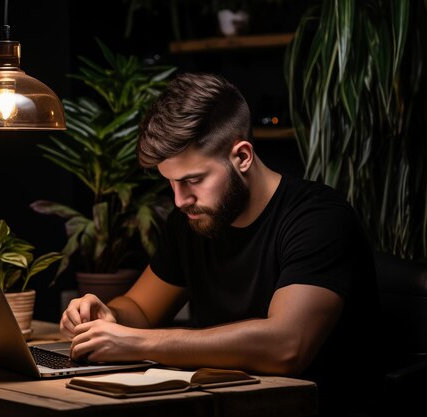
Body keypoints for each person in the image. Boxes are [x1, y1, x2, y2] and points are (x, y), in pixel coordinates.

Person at [60, 73, 380, 415]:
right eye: (171, 183)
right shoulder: (192, 219)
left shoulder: (318, 218)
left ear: (242, 156)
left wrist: (136, 341)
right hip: (224, 406)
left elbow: (286, 346)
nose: (180, 200)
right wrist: (107, 316)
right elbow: (139, 310)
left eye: (193, 180)